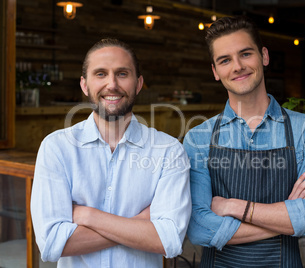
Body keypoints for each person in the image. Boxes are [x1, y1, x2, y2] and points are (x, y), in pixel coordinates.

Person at [183, 16, 305, 267]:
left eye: (245, 54)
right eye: (225, 60)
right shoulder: (198, 138)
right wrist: (287, 215)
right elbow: (199, 229)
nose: (237, 66)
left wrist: (233, 206)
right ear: (215, 72)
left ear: (264, 56)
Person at [31, 38, 191, 267]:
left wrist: (88, 216)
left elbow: (170, 241)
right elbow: (51, 244)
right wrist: (140, 225)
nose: (112, 84)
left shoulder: (169, 151)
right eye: (100, 74)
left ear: (138, 83)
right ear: (84, 85)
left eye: (122, 74)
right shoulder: (56, 148)